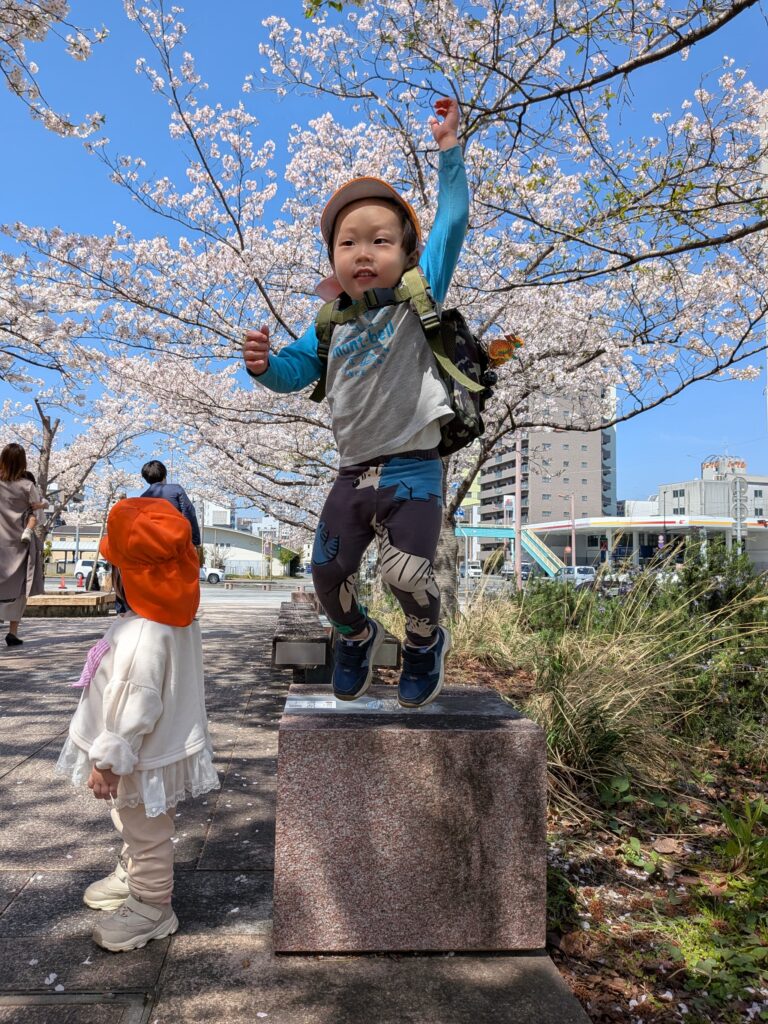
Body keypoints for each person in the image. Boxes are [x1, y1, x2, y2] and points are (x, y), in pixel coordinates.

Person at [243, 96, 467, 709]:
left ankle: (423, 642)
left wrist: (449, 151)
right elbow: (295, 370)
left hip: (413, 469)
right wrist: (263, 366)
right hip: (352, 472)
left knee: (404, 572)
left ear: (408, 254)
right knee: (324, 572)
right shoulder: (330, 322)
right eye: (348, 243)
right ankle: (357, 636)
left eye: (380, 240)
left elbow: (452, 221)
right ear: (334, 260)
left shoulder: (418, 293)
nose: (363, 252)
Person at [55, 498, 219, 952]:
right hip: (147, 751)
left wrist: (108, 761)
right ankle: (132, 874)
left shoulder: (144, 632)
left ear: (129, 577)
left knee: (147, 831)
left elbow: (134, 703)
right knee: (134, 819)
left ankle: (151, 904)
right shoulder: (170, 619)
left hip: (136, 755)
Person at [0, 443, 45, 646]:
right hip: (19, 543)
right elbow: (39, 515)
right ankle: (13, 631)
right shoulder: (27, 486)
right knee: (18, 589)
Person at [139, 460, 201, 547]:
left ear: (146, 479)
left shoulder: (142, 498)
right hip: (175, 540)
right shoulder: (176, 489)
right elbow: (188, 512)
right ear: (164, 475)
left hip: (152, 543)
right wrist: (195, 540)